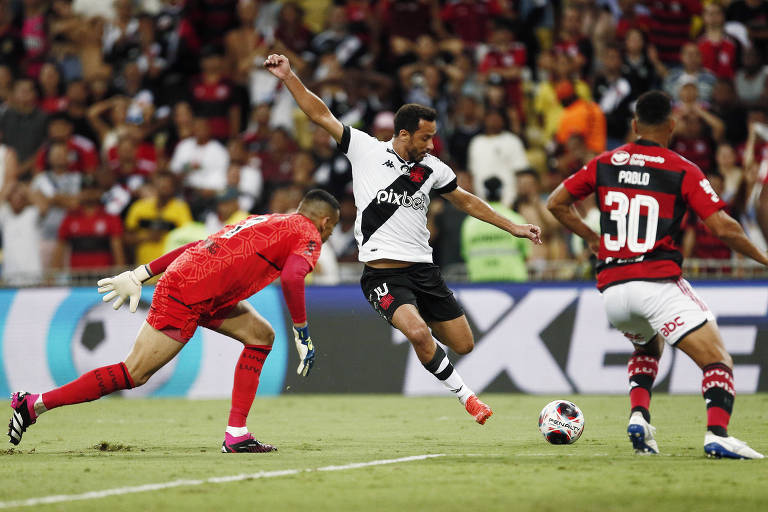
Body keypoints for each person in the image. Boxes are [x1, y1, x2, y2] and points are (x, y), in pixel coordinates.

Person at [264, 53, 542, 425]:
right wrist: (289, 77)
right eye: (425, 138)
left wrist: (515, 226)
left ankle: (422, 319)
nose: (430, 145)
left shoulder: (432, 169)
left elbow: (467, 201)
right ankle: (469, 399)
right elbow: (320, 115)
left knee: (463, 344)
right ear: (404, 134)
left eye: (433, 138)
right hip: (383, 276)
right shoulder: (366, 150)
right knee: (418, 333)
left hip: (424, 272)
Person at [8, 189, 340, 453]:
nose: (327, 236)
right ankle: (34, 404)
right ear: (324, 222)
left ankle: (236, 433)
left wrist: (142, 273)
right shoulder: (307, 233)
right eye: (332, 229)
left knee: (261, 336)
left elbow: (200, 245)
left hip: (203, 287)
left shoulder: (266, 220)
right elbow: (294, 277)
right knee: (133, 373)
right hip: (188, 294)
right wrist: (301, 330)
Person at [546, 90, 766, 459]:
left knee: (648, 346)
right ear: (672, 125)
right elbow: (723, 227)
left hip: (613, 292)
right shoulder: (681, 168)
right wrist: (763, 258)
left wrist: (592, 238)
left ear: (634, 125)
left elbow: (555, 203)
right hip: (655, 282)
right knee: (717, 360)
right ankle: (718, 434)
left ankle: (639, 417)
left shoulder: (604, 162)